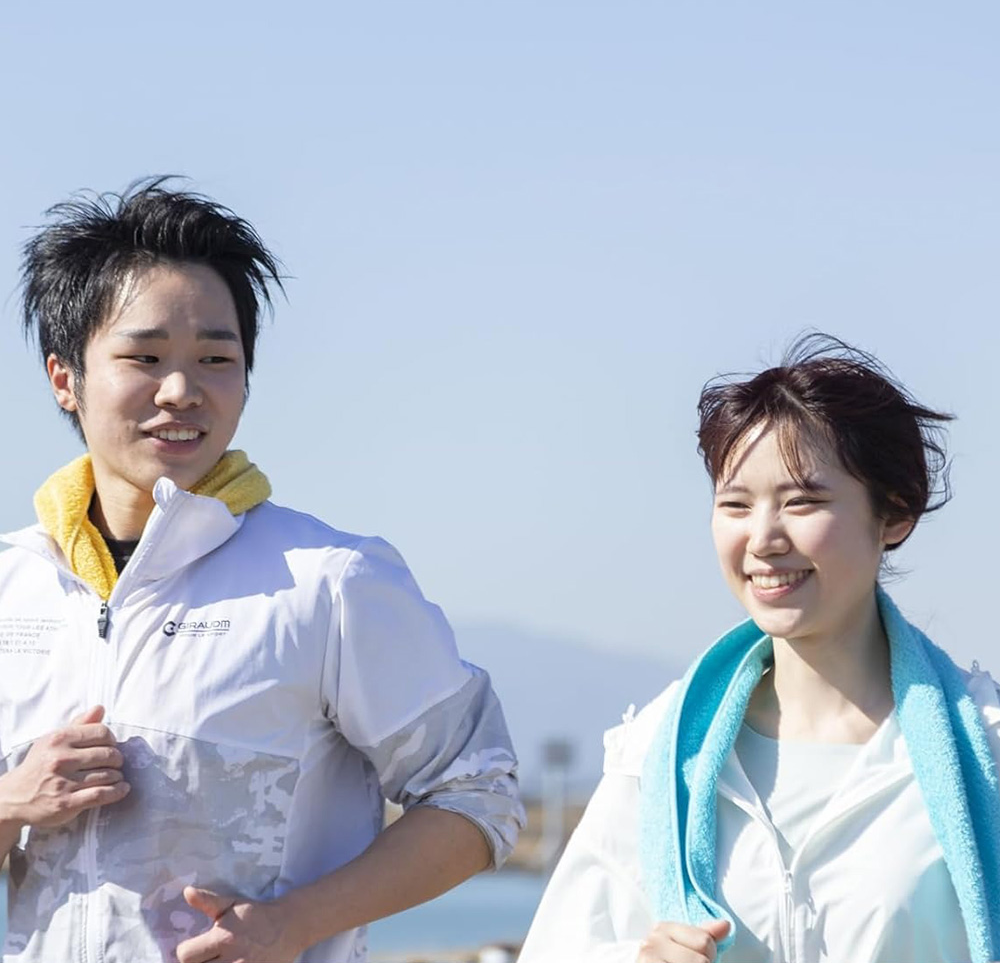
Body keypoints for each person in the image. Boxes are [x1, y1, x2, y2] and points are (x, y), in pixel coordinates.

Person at [0, 179, 524, 963]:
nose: (182, 391)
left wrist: (295, 923)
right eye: (144, 357)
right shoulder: (13, 585)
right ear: (64, 378)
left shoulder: (328, 583)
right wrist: (9, 803)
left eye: (216, 358)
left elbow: (481, 794)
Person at [519, 335, 1000, 963]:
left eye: (803, 502)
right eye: (736, 505)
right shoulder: (660, 755)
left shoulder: (984, 746)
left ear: (895, 513)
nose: (763, 538)